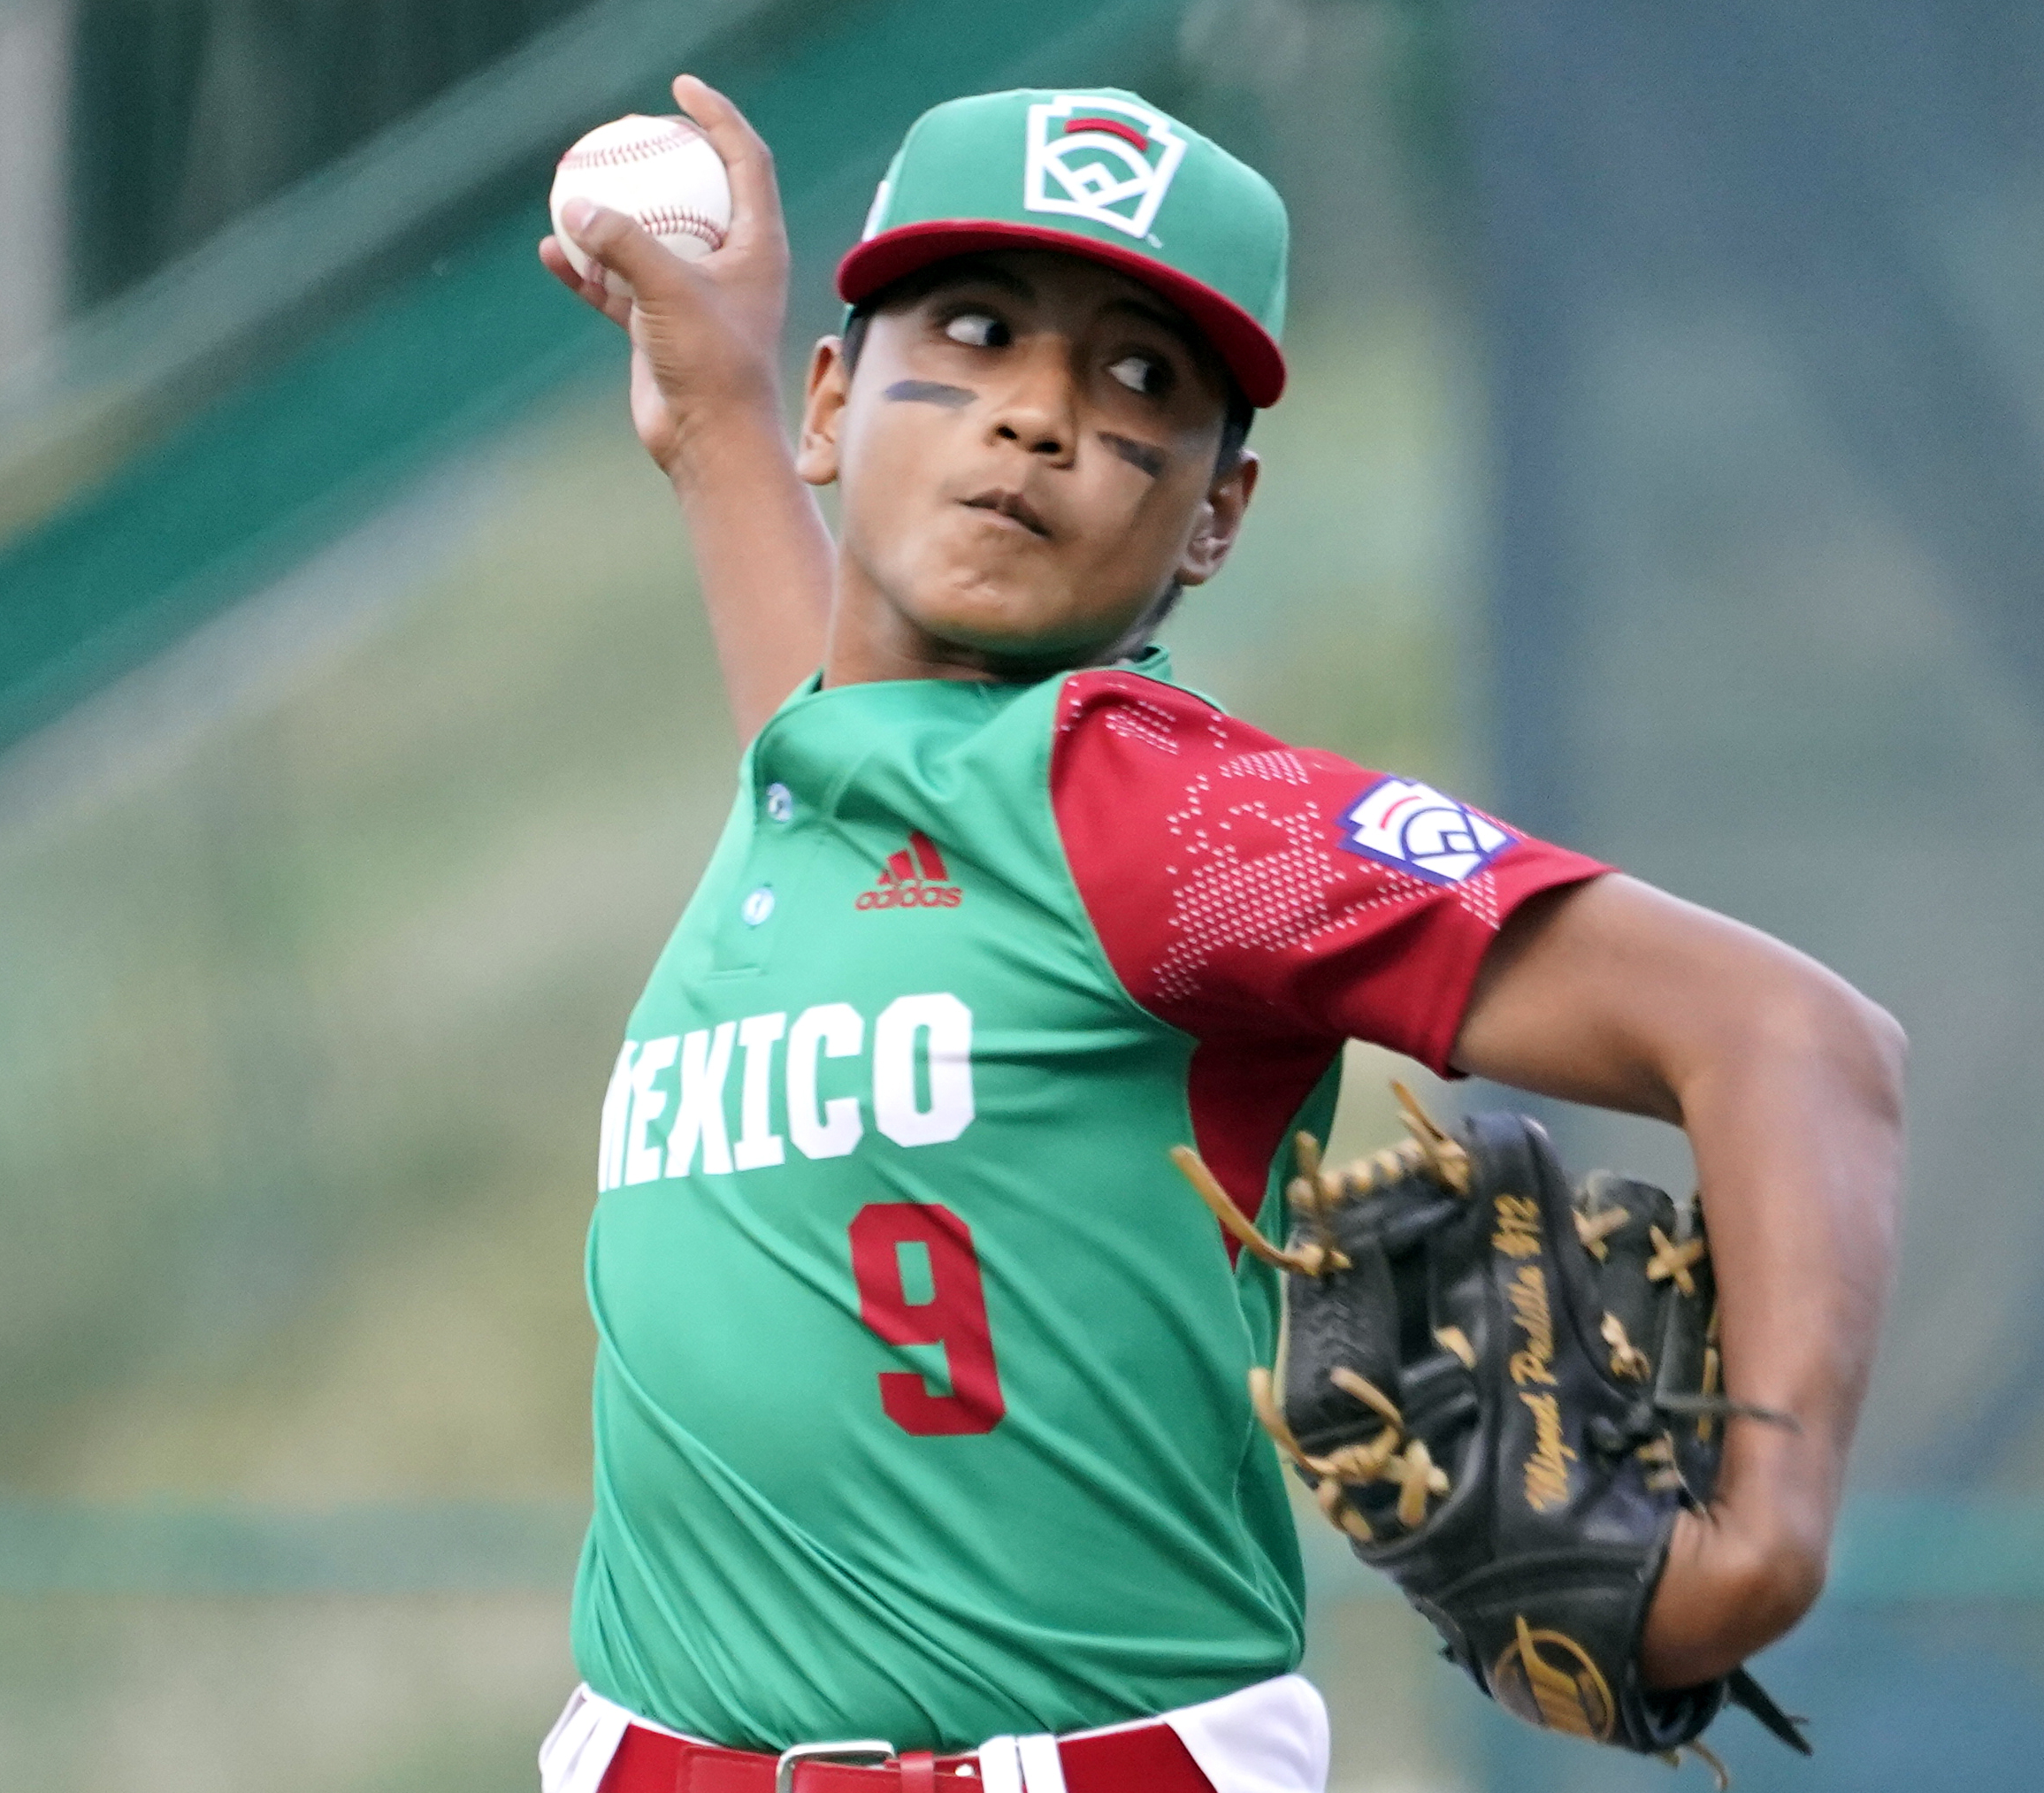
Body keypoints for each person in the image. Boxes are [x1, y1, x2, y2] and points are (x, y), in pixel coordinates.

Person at [530, 75, 1904, 1793]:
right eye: (973, 330)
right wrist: (714, 419)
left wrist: (1761, 1540)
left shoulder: (1156, 815)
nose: (1032, 418)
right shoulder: (826, 783)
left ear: (1215, 518)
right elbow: (829, 723)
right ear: (833, 401)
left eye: (1136, 383)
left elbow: (1791, 1038)